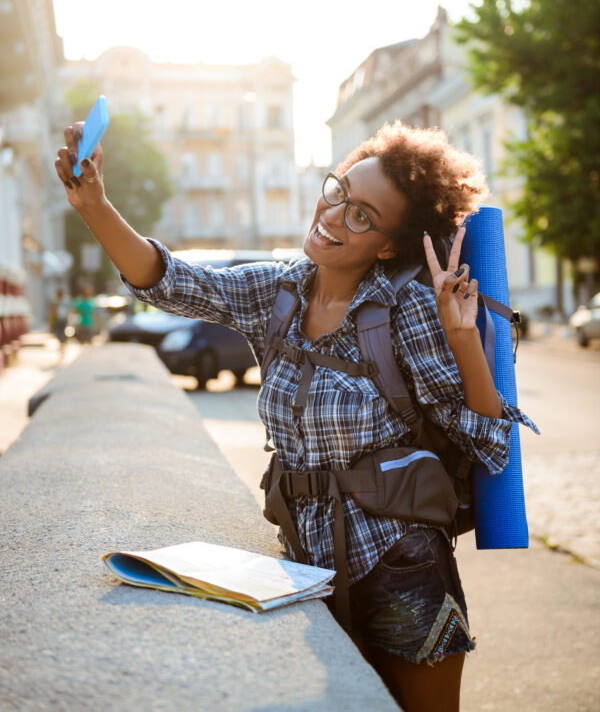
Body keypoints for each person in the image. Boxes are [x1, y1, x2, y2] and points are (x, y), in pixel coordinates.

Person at [55, 120, 538, 712]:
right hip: (306, 566)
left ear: (389, 244)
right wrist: (95, 205)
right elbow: (171, 281)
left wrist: (463, 338)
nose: (333, 216)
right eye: (337, 191)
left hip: (402, 570)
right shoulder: (278, 291)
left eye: (362, 214)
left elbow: (489, 444)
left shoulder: (407, 307)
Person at [48, 287, 71, 357]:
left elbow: (69, 310)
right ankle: (61, 346)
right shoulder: (55, 301)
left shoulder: (66, 301)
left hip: (64, 320)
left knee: (63, 334)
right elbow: (52, 311)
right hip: (57, 320)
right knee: (58, 334)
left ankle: (63, 346)